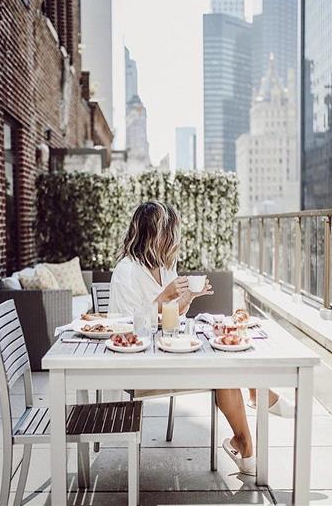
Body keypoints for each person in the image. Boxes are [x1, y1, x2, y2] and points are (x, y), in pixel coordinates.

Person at [109, 200, 257, 474]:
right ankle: (257, 400)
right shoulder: (126, 271)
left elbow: (171, 316)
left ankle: (247, 447)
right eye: (168, 231)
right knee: (222, 364)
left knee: (223, 359)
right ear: (151, 234)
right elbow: (128, 328)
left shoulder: (165, 268)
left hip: (167, 353)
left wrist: (188, 298)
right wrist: (163, 296)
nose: (173, 238)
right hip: (137, 365)